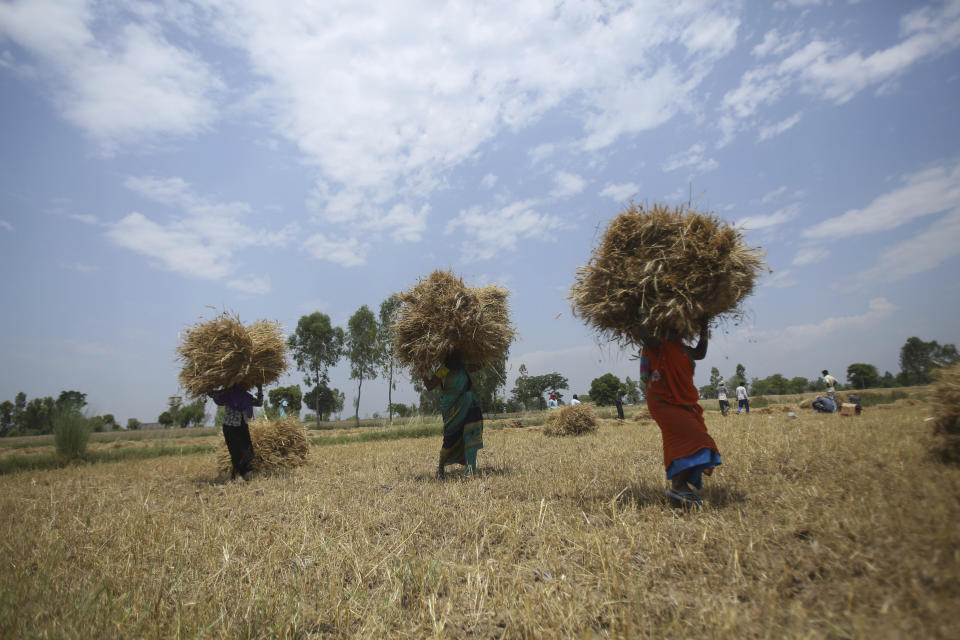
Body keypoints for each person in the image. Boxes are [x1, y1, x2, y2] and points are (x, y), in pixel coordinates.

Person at [638, 322, 721, 508]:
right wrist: (641, 316)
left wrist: (704, 325)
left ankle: (678, 490)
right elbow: (643, 333)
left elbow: (700, 353)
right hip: (663, 401)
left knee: (678, 443)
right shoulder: (657, 346)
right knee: (699, 439)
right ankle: (679, 486)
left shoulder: (682, 349)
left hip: (685, 403)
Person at [424, 351, 484, 478]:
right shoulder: (443, 370)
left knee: (470, 435)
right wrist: (422, 370)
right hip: (451, 408)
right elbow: (429, 386)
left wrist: (484, 353)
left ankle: (470, 471)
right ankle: (440, 468)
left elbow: (480, 365)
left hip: (468, 404)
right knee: (450, 439)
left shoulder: (464, 367)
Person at [209, 383, 263, 481]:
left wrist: (260, 388)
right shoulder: (227, 394)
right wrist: (209, 385)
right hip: (230, 427)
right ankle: (237, 475)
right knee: (236, 452)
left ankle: (240, 473)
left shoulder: (245, 396)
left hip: (242, 426)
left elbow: (259, 403)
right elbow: (212, 394)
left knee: (247, 451)